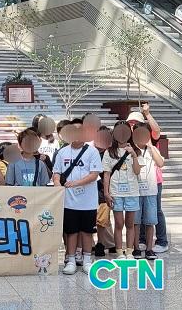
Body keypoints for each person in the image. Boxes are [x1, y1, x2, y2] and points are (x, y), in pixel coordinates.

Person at [52, 118, 103, 275]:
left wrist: (76, 183)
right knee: (71, 232)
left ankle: (87, 260)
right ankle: (71, 260)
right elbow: (56, 172)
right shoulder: (62, 152)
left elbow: (94, 174)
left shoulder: (92, 151)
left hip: (88, 201)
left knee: (86, 231)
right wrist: (57, 184)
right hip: (69, 201)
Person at [129, 104, 168, 254]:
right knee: (138, 213)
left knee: (155, 211)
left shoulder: (150, 138)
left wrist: (147, 113)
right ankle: (141, 241)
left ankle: (162, 241)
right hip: (136, 183)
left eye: (135, 123)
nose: (132, 125)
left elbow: (157, 130)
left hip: (154, 182)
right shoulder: (130, 141)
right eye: (130, 123)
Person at [103, 121, 141, 260]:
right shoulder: (109, 152)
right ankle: (119, 252)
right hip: (116, 192)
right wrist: (106, 193)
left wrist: (134, 155)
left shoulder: (136, 150)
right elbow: (106, 174)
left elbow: (137, 171)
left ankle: (129, 251)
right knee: (119, 223)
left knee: (130, 223)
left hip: (132, 192)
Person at [93, 126, 116, 257]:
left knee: (102, 220)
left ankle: (102, 244)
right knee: (97, 219)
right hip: (90, 190)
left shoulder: (112, 153)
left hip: (104, 190)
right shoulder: (90, 152)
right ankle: (105, 243)